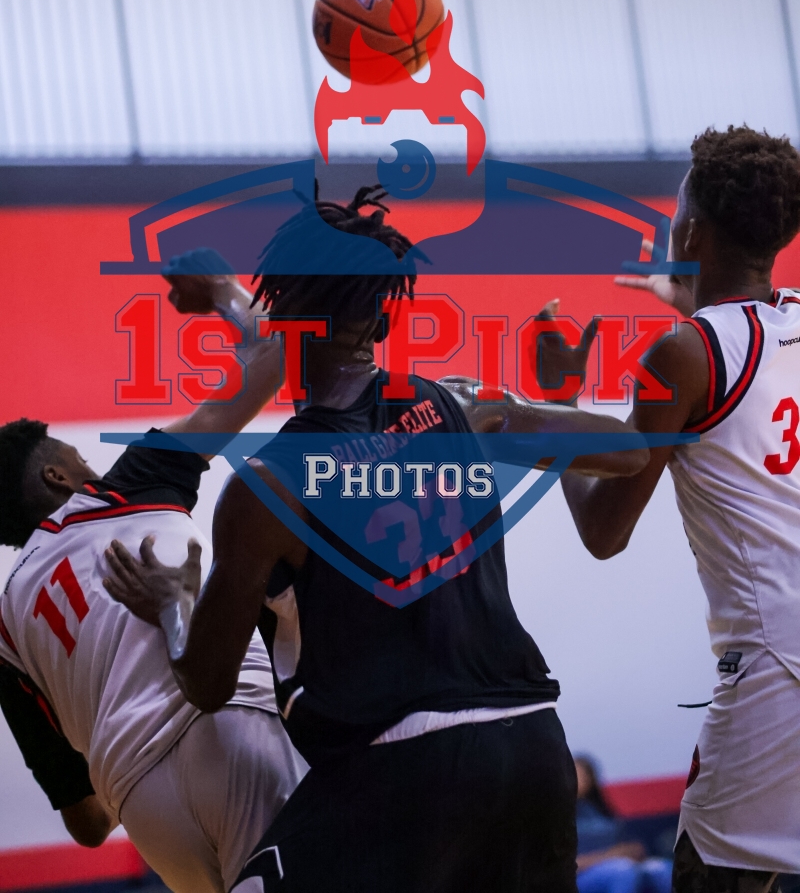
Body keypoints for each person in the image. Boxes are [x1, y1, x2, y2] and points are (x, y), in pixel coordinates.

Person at [103, 185, 650, 893]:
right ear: (384, 314)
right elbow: (632, 450)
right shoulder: (464, 405)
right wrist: (552, 402)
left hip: (404, 775)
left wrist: (173, 602)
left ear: (284, 318)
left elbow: (207, 683)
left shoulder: (268, 488)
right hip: (534, 749)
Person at [0, 256, 307, 893]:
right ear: (58, 477)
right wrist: (221, 289)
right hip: (225, 729)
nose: (93, 467)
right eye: (80, 460)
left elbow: (88, 823)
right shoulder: (127, 484)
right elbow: (274, 356)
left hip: (144, 806)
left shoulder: (7, 626)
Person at [558, 126, 800, 893]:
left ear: (690, 232)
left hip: (779, 667)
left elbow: (604, 530)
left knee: (708, 877)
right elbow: (747, 336)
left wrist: (557, 405)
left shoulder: (683, 355)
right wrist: (693, 301)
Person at [574, 755, 671, 893]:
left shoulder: (603, 812)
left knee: (662, 869)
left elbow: (636, 847)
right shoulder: (556, 817)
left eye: (584, 775)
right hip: (584, 875)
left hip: (623, 863)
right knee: (623, 872)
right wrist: (610, 856)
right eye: (574, 774)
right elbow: (563, 865)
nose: (579, 780)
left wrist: (630, 852)